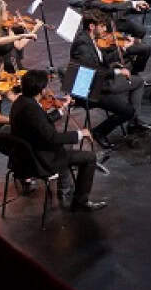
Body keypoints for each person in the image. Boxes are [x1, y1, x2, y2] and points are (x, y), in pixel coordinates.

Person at [9, 69, 104, 212]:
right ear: (41, 90)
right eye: (46, 87)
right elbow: (52, 138)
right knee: (90, 157)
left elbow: (40, 124)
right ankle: (81, 201)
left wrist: (61, 110)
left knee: (67, 147)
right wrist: (80, 133)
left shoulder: (21, 102)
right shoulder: (32, 109)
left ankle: (64, 189)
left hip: (26, 153)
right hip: (39, 160)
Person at [68, 11, 144, 149]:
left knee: (138, 82)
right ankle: (100, 132)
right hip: (87, 90)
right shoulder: (82, 45)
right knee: (127, 111)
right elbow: (94, 71)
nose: (105, 29)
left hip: (97, 83)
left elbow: (103, 60)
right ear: (92, 26)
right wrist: (117, 71)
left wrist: (123, 48)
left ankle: (133, 122)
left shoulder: (90, 39)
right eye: (102, 26)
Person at [0, 0, 35, 72]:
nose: (7, 12)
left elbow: (19, 45)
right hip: (0, 71)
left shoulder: (6, 27)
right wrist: (21, 36)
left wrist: (32, 31)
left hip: (14, 66)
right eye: (5, 11)